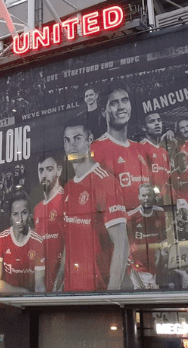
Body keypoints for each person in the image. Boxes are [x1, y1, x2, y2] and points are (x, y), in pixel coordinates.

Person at [56, 122, 128, 292]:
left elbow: (122, 244)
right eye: (67, 140)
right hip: (70, 293)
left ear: (89, 140)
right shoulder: (68, 189)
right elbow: (70, 241)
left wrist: (112, 294)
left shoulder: (105, 182)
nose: (71, 145)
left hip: (98, 292)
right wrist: (59, 281)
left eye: (77, 138)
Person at [91, 83, 150, 212]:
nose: (121, 107)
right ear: (103, 112)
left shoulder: (140, 148)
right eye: (114, 103)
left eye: (125, 100)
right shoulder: (96, 148)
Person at [0, 191, 46, 294]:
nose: (20, 220)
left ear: (29, 214)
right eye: (15, 214)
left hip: (30, 303)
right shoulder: (1, 239)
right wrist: (24, 293)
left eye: (24, 213)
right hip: (8, 302)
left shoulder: (38, 241)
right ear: (10, 217)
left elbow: (39, 284)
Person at [125, 183, 167, 290]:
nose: (146, 198)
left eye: (149, 195)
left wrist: (163, 249)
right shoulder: (131, 216)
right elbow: (125, 238)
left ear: (153, 197)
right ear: (139, 197)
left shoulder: (160, 213)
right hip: (138, 264)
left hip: (154, 262)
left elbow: (163, 235)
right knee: (153, 291)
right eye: (143, 195)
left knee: (141, 292)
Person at [33, 155, 65, 291]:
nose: (44, 174)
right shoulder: (37, 208)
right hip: (42, 285)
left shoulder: (67, 199)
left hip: (62, 285)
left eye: (49, 169)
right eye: (41, 171)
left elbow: (70, 247)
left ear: (59, 170)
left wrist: (59, 280)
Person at [140, 112, 171, 202]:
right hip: (151, 201)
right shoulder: (140, 148)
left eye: (159, 120)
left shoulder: (163, 151)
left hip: (166, 200)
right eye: (152, 121)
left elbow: (168, 178)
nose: (157, 123)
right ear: (143, 127)